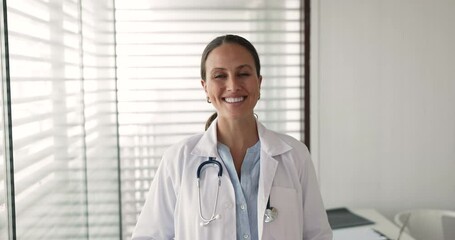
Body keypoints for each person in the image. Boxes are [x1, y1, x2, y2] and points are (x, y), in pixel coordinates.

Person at [132, 34, 333, 240]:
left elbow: (318, 235)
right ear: (205, 88)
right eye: (220, 76)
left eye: (243, 73)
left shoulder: (294, 154)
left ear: (259, 82)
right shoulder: (178, 159)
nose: (233, 85)